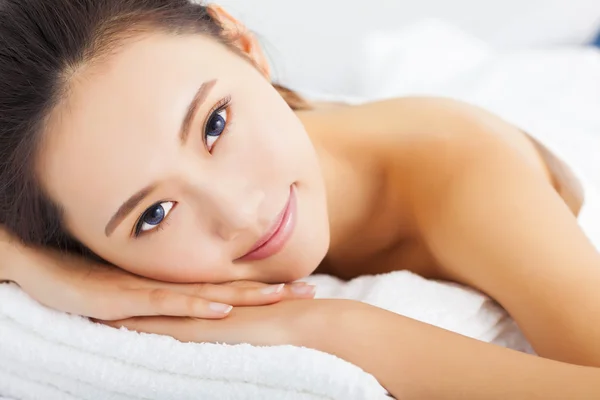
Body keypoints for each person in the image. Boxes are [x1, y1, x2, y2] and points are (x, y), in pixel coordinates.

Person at [0, 0, 600, 398]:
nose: (239, 212)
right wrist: (46, 272)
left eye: (214, 125)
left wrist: (335, 327)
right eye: (153, 214)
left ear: (241, 45)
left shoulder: (464, 175)